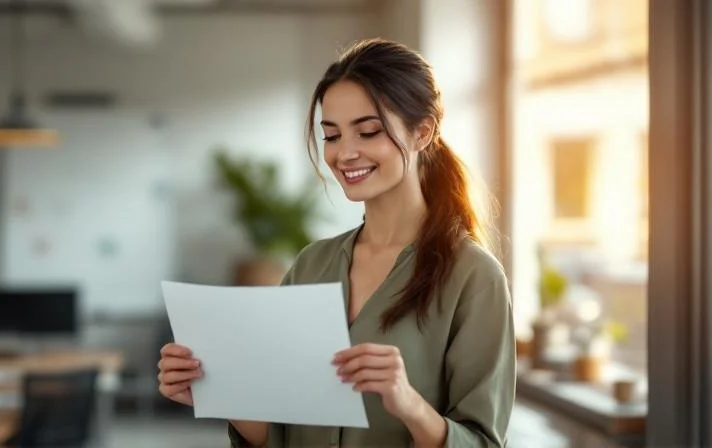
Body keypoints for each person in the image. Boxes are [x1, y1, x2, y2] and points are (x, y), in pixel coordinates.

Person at [158, 37, 516, 447]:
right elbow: (282, 435)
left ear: (422, 132)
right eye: (331, 136)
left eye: (367, 132)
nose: (345, 153)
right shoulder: (312, 265)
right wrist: (211, 390)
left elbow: (483, 443)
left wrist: (408, 403)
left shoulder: (473, 276)